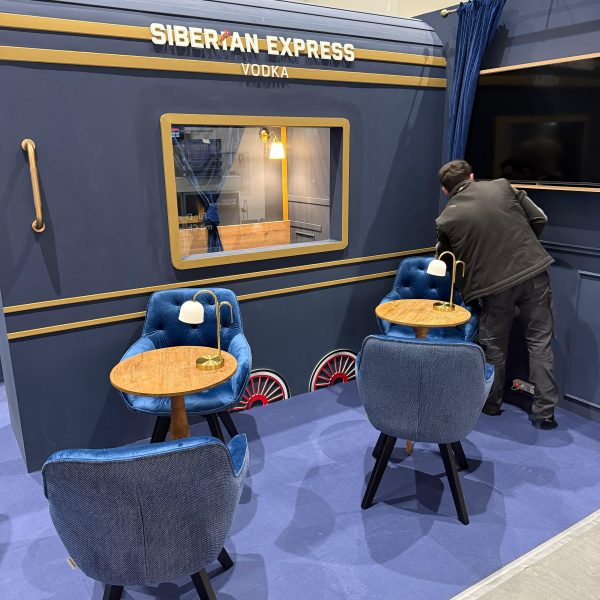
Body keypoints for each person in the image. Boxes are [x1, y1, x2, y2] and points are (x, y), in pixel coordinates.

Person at [435, 159, 560, 430]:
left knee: (494, 347)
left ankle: (492, 404)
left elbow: (446, 262)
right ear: (471, 176)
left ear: (445, 190)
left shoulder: (446, 219)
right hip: (533, 272)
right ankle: (545, 414)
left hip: (493, 287)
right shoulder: (502, 186)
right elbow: (540, 218)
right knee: (539, 344)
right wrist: (523, 246)